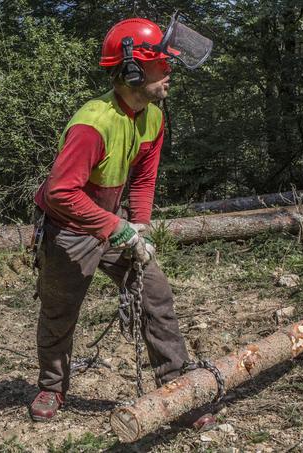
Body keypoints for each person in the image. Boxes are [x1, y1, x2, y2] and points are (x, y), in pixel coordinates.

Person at [29, 17, 196, 422]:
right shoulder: (93, 124)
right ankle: (52, 386)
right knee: (60, 310)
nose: (169, 70)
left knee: (155, 296)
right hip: (68, 225)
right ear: (133, 69)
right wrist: (116, 228)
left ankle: (178, 385)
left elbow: (143, 176)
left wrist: (138, 224)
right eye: (161, 63)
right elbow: (60, 193)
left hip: (112, 219)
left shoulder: (153, 117)